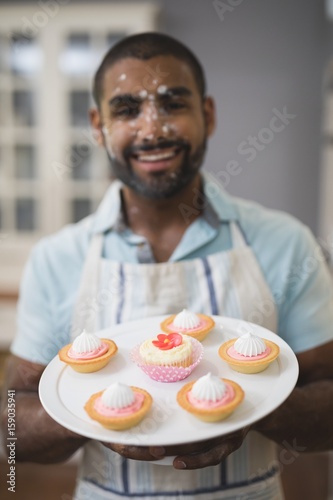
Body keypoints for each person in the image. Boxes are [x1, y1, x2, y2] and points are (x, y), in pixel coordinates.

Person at [1, 31, 333, 500]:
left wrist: (248, 407)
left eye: (172, 104)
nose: (151, 129)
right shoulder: (57, 260)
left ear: (208, 114)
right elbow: (12, 428)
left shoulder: (285, 243)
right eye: (126, 109)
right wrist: (93, 415)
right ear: (97, 126)